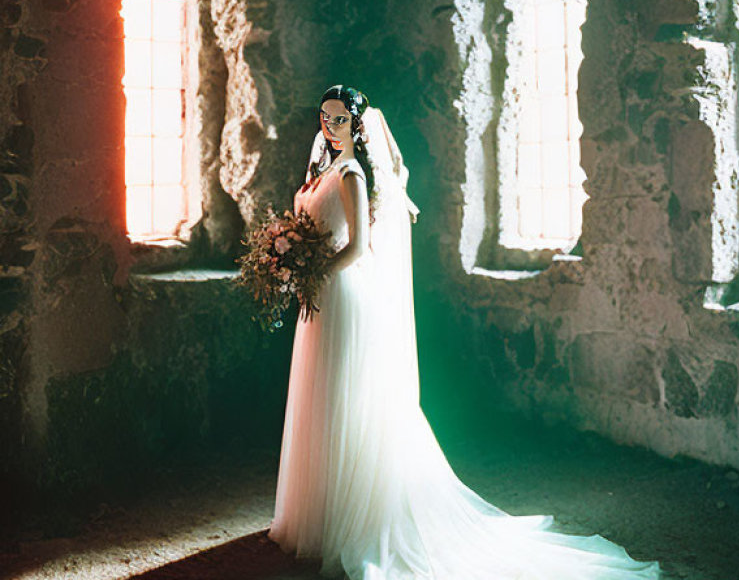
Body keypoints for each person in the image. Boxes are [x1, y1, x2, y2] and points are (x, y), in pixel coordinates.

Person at [268, 84, 663, 580]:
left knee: (347, 399)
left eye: (341, 118)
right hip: (320, 300)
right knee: (319, 398)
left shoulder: (350, 174)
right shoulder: (319, 172)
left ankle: (355, 515)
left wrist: (310, 268)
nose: (330, 125)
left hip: (342, 294)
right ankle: (319, 516)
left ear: (358, 125)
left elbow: (358, 250)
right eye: (325, 117)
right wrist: (287, 257)